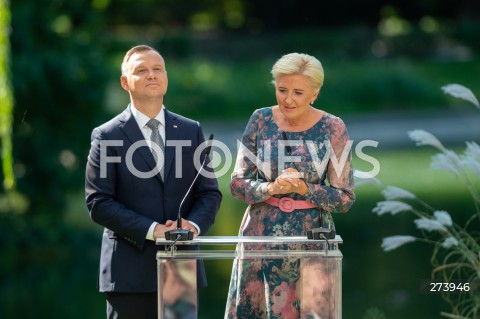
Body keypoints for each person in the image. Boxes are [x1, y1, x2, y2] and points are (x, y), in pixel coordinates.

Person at [85, 44, 222, 319]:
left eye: (157, 69)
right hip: (128, 273)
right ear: (125, 82)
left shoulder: (190, 129)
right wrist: (153, 229)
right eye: (141, 70)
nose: (151, 75)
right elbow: (98, 202)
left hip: (181, 266)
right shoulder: (106, 135)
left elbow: (209, 194)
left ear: (166, 78)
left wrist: (191, 226)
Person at [224, 53, 355, 318]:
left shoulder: (333, 127)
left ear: (314, 94)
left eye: (298, 92)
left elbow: (345, 199)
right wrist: (270, 189)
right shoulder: (260, 119)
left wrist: (305, 189)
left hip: (312, 240)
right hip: (259, 237)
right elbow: (237, 184)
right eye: (282, 90)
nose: (288, 99)